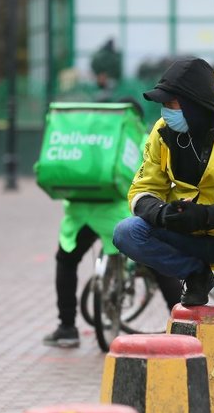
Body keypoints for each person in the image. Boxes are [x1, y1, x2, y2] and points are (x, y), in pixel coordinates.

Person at [112, 57, 214, 316]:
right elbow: (142, 191)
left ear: (195, 104)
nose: (166, 111)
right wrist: (163, 213)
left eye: (172, 104)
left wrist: (204, 216)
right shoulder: (161, 132)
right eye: (164, 105)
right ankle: (197, 276)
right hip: (183, 237)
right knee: (126, 232)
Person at [43, 99, 182, 348]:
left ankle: (66, 327)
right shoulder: (138, 137)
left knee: (66, 261)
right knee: (155, 261)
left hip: (80, 212)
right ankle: (183, 321)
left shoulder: (91, 136)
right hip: (118, 212)